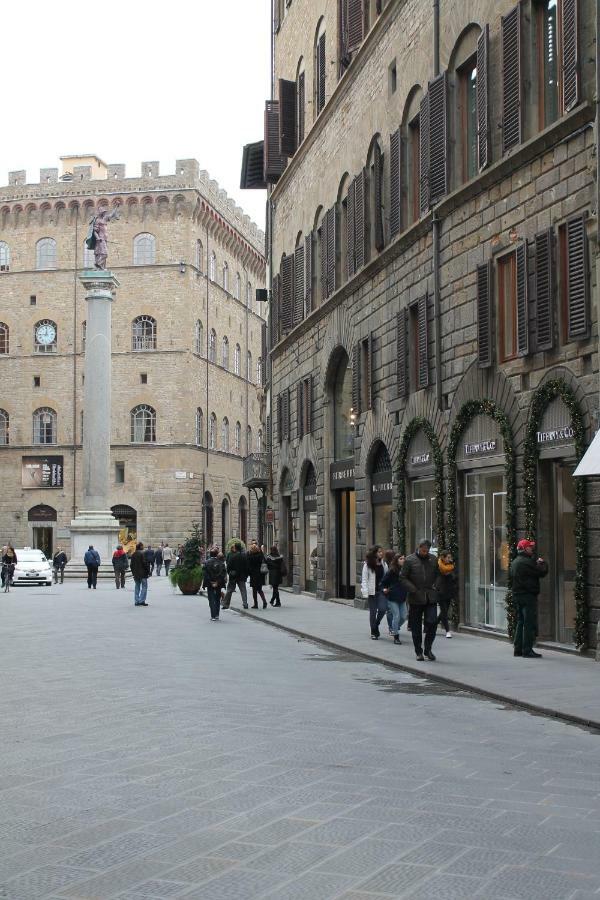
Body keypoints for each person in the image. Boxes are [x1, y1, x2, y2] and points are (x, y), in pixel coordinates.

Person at [401, 539, 439, 661]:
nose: (425, 552)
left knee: (433, 622)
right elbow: (402, 577)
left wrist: (436, 585)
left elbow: (438, 575)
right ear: (419, 548)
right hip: (416, 597)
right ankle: (418, 651)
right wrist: (413, 589)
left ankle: (428, 649)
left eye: (427, 550)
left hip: (430, 596)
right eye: (423, 550)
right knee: (416, 626)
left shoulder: (433, 559)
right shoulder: (409, 560)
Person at [511, 539, 548, 658]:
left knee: (521, 621)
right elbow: (542, 572)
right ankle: (527, 650)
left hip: (518, 595)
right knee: (528, 622)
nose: (532, 549)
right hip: (527, 596)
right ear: (525, 548)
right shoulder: (526, 562)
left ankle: (518, 649)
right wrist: (542, 563)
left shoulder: (515, 561)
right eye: (530, 547)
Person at [361, 545, 387, 640]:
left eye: (381, 551)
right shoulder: (367, 565)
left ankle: (376, 624)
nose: (381, 553)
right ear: (374, 553)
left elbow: (386, 577)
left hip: (381, 591)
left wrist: (387, 587)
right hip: (372, 591)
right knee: (373, 612)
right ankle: (373, 631)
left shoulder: (383, 564)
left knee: (383, 609)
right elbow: (364, 579)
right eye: (379, 552)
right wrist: (365, 592)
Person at [381, 553, 407, 644]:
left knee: (403, 616)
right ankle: (396, 636)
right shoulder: (392, 571)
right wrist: (384, 589)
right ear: (396, 561)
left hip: (403, 596)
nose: (403, 560)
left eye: (404, 558)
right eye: (401, 559)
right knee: (396, 616)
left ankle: (394, 627)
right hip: (393, 596)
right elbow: (383, 582)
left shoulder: (406, 570)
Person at [435, 550, 457, 638]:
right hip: (440, 590)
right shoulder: (439, 566)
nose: (450, 559)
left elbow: (454, 576)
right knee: (444, 612)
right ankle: (448, 631)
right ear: (443, 558)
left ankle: (431, 626)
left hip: (448, 591)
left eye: (450, 557)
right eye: (448, 557)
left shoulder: (451, 566)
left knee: (445, 611)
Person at [222, 542, 249, 610]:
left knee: (229, 590)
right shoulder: (244, 556)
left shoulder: (233, 556)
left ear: (235, 548)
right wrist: (246, 575)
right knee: (243, 590)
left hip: (233, 576)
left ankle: (225, 604)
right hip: (242, 576)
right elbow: (247, 567)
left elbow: (229, 566)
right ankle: (245, 604)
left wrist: (229, 573)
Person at [203, 547, 227, 621]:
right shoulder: (221, 563)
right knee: (217, 598)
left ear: (210, 554)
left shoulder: (206, 562)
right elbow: (223, 574)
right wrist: (218, 581)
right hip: (218, 583)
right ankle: (217, 614)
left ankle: (213, 615)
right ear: (217, 554)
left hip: (210, 583)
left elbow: (205, 574)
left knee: (211, 599)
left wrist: (210, 581)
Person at [247, 540, 268, 609]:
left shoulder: (250, 556)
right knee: (260, 590)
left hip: (253, 574)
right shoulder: (260, 555)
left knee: (254, 590)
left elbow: (248, 566)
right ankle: (264, 601)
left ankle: (256, 604)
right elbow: (264, 561)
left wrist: (249, 573)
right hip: (260, 574)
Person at [130, 541, 150, 606]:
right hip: (143, 574)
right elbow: (145, 564)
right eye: (143, 546)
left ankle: (136, 601)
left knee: (137, 587)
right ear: (141, 547)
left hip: (136, 574)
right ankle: (142, 600)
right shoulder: (143, 553)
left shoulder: (133, 554)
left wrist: (133, 572)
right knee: (144, 587)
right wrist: (148, 572)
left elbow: (131, 565)